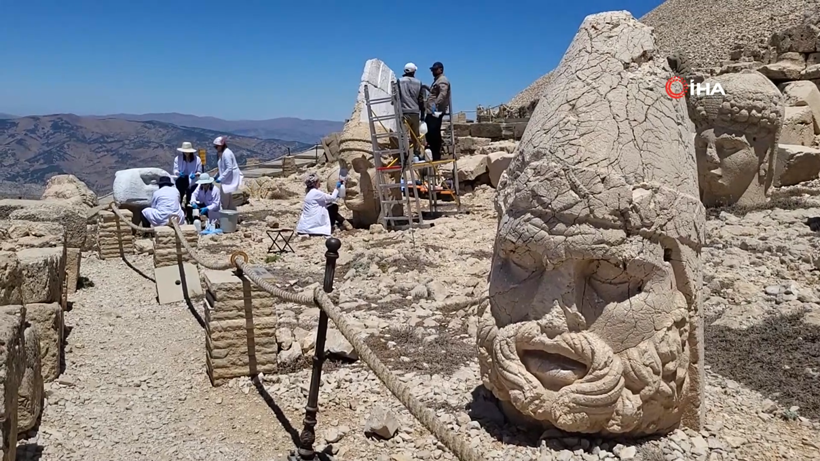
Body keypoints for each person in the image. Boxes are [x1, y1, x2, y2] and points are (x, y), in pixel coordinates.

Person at [399, 63, 426, 162]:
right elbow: (421, 100)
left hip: (403, 112)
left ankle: (404, 156)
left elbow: (396, 98)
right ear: (414, 71)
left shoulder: (399, 81)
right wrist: (422, 115)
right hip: (415, 112)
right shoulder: (418, 83)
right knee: (415, 135)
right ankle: (416, 154)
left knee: (403, 135)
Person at [424, 61, 451, 161]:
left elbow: (442, 94)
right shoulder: (437, 80)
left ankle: (436, 155)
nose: (433, 72)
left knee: (434, 133)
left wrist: (436, 104)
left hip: (436, 112)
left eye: (435, 70)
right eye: (432, 70)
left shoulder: (442, 80)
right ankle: (432, 153)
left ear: (440, 69)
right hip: (431, 111)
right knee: (429, 132)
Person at [213, 136, 243, 212]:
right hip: (226, 177)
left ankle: (224, 212)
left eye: (217, 147)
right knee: (228, 197)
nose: (216, 148)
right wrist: (216, 176)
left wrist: (221, 178)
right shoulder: (223, 153)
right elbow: (222, 167)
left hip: (229, 178)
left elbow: (229, 168)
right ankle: (231, 212)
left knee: (224, 196)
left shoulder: (226, 154)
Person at [173, 141, 203, 206]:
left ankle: (189, 213)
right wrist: (179, 173)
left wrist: (195, 175)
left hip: (192, 182)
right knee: (179, 197)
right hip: (181, 180)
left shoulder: (197, 159)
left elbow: (199, 172)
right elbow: (175, 170)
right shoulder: (178, 159)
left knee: (190, 198)